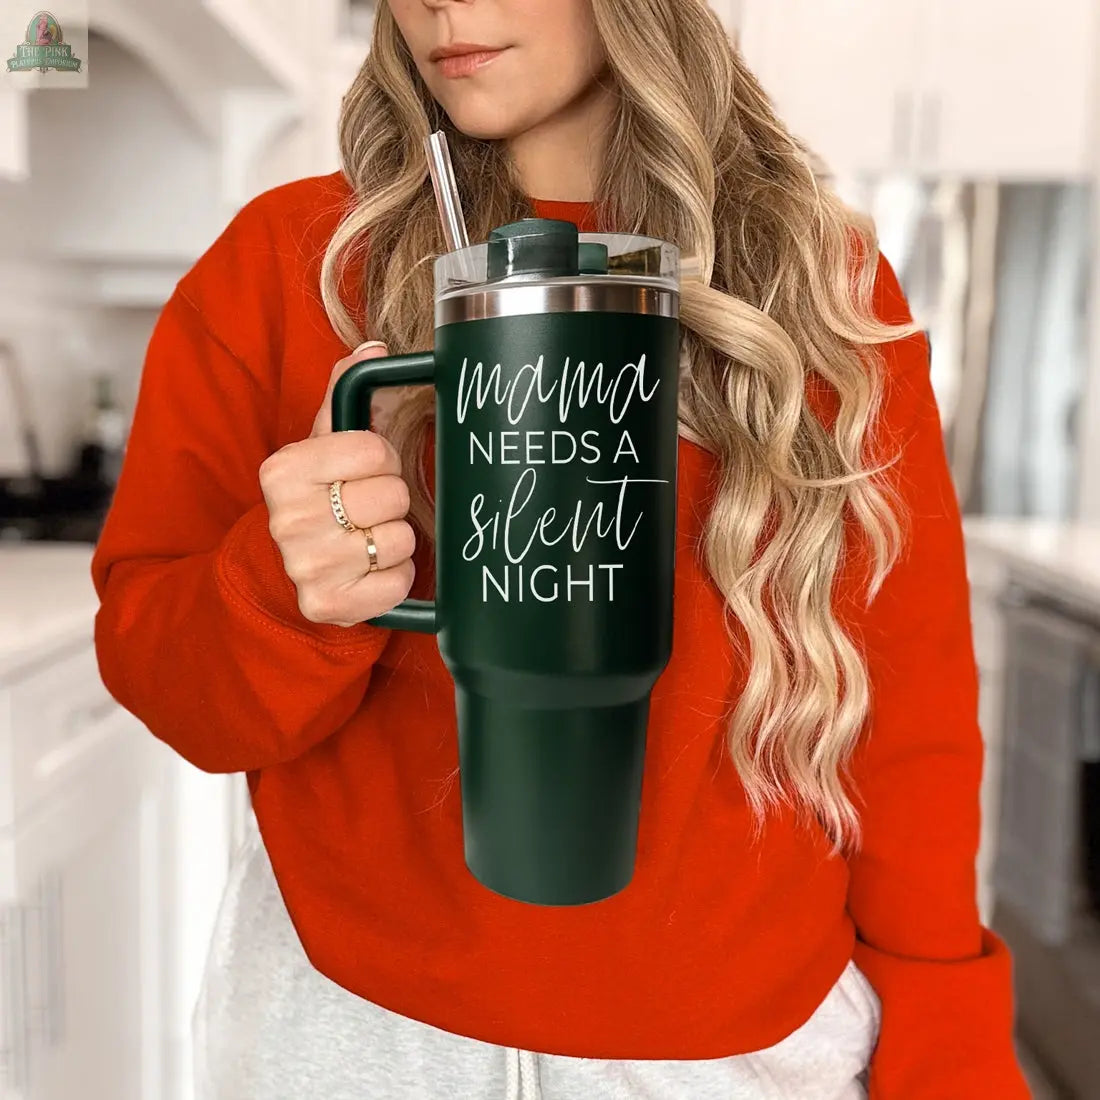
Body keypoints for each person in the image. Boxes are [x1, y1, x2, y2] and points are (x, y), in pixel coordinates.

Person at [89, 1, 1032, 1097]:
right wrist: (286, 590)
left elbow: (905, 719)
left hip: (736, 1049)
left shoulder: (820, 287)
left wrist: (945, 1038)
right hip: (350, 1030)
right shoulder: (286, 265)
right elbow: (173, 684)